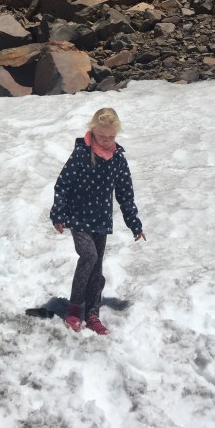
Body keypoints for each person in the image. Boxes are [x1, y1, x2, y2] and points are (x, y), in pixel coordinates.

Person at [50, 107, 146, 335]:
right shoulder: (81, 153)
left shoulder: (118, 159)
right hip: (78, 217)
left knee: (96, 267)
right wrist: (58, 213)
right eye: (102, 135)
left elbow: (125, 194)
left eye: (111, 136)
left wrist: (134, 223)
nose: (106, 140)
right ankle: (74, 308)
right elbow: (63, 184)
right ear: (92, 130)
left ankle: (92, 314)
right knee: (89, 256)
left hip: (101, 222)